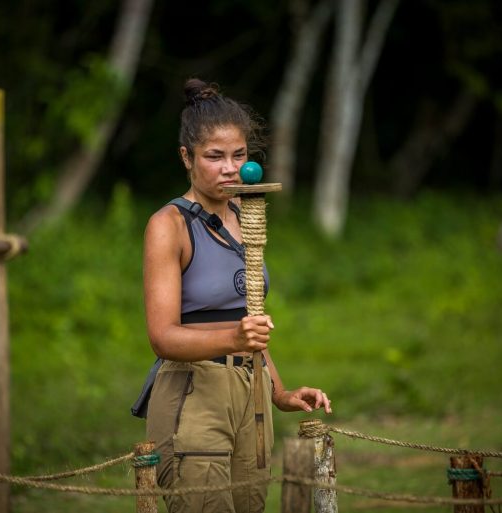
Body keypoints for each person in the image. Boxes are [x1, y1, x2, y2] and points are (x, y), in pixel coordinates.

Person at [143, 78, 332, 513]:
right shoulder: (169, 226)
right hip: (194, 397)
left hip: (252, 399)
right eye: (215, 156)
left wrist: (280, 393)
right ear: (186, 158)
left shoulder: (247, 218)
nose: (231, 168)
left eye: (240, 155)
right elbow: (162, 338)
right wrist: (234, 339)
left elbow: (250, 324)